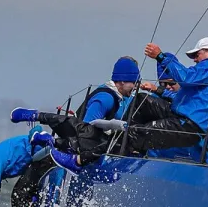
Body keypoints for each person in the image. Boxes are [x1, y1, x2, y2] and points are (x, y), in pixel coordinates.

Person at [48, 37, 208, 173]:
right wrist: (157, 90)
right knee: (142, 101)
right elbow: (179, 96)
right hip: (181, 116)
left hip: (189, 125)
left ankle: (81, 160)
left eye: (197, 54)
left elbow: (185, 78)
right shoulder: (207, 74)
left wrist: (160, 56)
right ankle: (129, 147)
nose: (194, 59)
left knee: (135, 132)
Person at [9, 56, 139, 167]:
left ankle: (39, 123)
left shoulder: (119, 96)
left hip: (73, 133)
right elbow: (87, 127)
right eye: (134, 82)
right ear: (122, 80)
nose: (135, 87)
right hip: (75, 139)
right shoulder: (106, 99)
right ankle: (40, 126)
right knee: (92, 137)